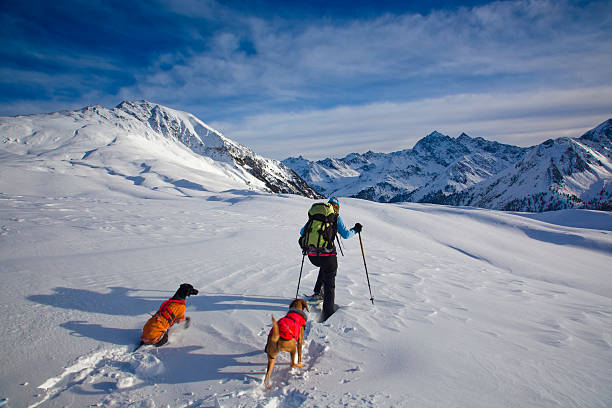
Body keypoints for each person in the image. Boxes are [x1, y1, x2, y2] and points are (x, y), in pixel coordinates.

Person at [301, 197, 362, 321]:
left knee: (324, 267)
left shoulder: (315, 217)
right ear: (337, 207)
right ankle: (328, 313)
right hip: (327, 255)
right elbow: (345, 234)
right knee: (330, 282)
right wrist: (355, 229)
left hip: (312, 255)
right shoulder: (335, 217)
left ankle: (317, 293)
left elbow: (302, 232)